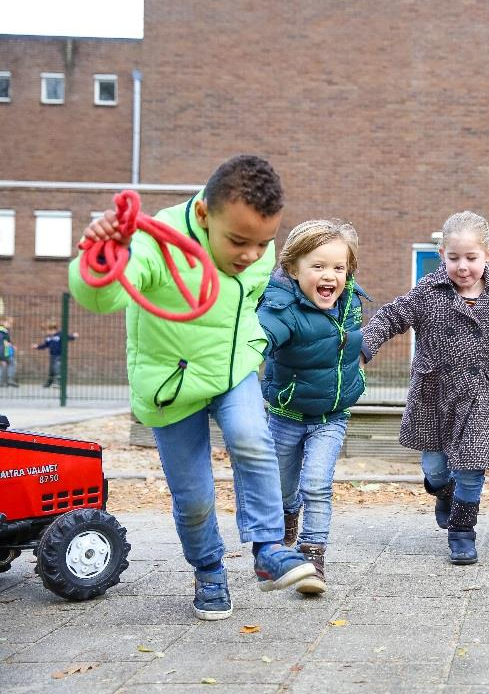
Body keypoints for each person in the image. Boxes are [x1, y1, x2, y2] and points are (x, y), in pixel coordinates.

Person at [68, 155, 315, 620]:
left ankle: (267, 548)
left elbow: (254, 300)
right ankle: (208, 570)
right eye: (239, 241)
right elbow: (101, 295)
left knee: (251, 437)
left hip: (230, 369)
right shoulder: (154, 244)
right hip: (170, 384)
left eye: (262, 243)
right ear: (203, 214)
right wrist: (100, 254)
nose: (250, 255)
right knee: (195, 495)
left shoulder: (256, 244)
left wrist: (257, 343)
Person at [360, 211, 489, 565]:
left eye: (471, 258)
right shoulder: (428, 290)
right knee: (436, 469)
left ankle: (462, 533)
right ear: (442, 254)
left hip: (479, 394)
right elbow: (392, 316)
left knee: (471, 467)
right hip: (433, 392)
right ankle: (443, 492)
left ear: (488, 254)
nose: (463, 266)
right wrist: (366, 344)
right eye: (454, 258)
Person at [257, 219, 370, 594]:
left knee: (317, 484)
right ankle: (288, 516)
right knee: (284, 485)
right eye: (318, 266)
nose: (329, 276)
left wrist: (360, 350)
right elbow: (262, 339)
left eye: (338, 268)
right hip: (286, 415)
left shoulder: (350, 300)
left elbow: (347, 337)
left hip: (331, 415)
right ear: (293, 268)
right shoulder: (279, 309)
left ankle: (312, 556)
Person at [35, 322, 78, 388]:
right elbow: (45, 345)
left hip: (60, 355)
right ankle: (49, 382)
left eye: (48, 330)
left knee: (56, 368)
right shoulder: (48, 338)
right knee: (51, 370)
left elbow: (68, 337)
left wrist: (73, 336)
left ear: (53, 330)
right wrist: (37, 346)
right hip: (52, 355)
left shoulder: (60, 335)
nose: (47, 332)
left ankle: (58, 383)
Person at [0, 319, 17, 387]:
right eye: (9, 323)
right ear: (3, 322)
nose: (11, 325)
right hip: (3, 352)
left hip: (3, 351)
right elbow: (6, 342)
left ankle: (2, 382)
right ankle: (10, 380)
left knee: (2, 366)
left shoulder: (3, 331)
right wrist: (12, 347)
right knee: (12, 363)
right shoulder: (3, 331)